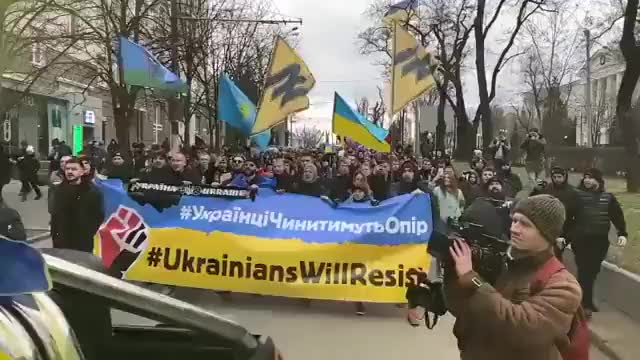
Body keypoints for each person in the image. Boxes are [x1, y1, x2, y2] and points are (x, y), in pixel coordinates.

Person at [444, 195, 582, 360]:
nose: (514, 229)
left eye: (525, 224)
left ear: (547, 234)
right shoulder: (504, 263)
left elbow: (524, 329)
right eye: (514, 221)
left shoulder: (563, 285)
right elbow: (466, 310)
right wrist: (452, 277)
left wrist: (472, 279)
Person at [573, 168, 627, 317]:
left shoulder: (608, 197)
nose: (587, 180)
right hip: (581, 240)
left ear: (598, 180)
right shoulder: (577, 196)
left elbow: (617, 216)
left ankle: (584, 301)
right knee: (584, 271)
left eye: (590, 177)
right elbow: (568, 215)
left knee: (592, 271)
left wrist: (622, 233)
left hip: (600, 241)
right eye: (585, 177)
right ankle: (585, 305)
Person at [51, 158, 105, 252]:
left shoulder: (92, 192)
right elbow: (55, 215)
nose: (70, 172)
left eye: (74, 169)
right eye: (67, 169)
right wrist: (55, 236)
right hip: (62, 242)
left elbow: (98, 216)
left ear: (82, 172)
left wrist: (90, 234)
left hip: (84, 242)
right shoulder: (58, 190)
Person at [531, 166, 579, 258]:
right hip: (545, 228)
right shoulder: (547, 188)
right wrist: (535, 190)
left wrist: (567, 237)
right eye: (554, 177)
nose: (557, 179)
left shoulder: (573, 193)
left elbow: (576, 217)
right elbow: (535, 202)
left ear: (565, 177)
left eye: (559, 177)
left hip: (562, 232)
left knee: (555, 257)